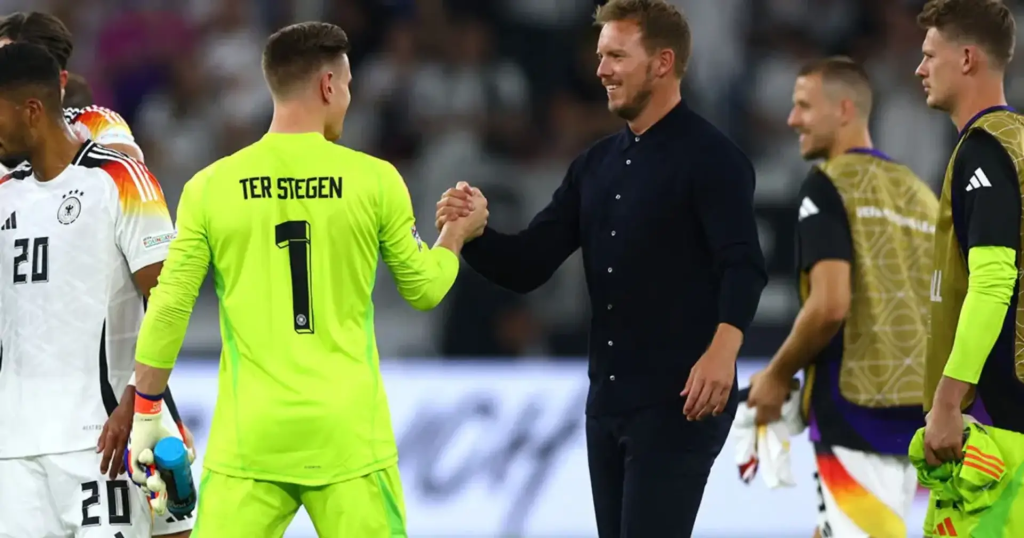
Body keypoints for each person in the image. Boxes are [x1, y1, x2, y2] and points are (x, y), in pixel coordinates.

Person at [126, 22, 486, 538]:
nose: (347, 99)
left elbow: (170, 304)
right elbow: (424, 289)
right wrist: (454, 235)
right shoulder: (375, 180)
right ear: (327, 86)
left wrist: (146, 410)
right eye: (348, 86)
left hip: (250, 440)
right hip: (348, 438)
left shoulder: (211, 186)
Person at [436, 1, 766, 535]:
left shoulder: (714, 157)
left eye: (616, 55)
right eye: (600, 55)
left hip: (680, 400)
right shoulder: (594, 165)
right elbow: (528, 264)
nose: (601, 70)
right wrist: (474, 235)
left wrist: (723, 353)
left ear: (662, 63)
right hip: (607, 402)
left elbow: (744, 265)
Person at [0, 11, 197, 502]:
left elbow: (150, 269)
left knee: (165, 519)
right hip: (34, 405)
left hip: (117, 384)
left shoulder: (100, 132)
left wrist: (144, 399)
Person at [746, 57, 938, 538]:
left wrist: (774, 375)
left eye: (804, 106)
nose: (792, 119)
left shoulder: (828, 185)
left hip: (857, 411)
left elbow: (830, 305)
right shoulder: (920, 195)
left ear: (845, 109)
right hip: (925, 413)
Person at [915, 0, 1024, 463]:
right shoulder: (1016, 141)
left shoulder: (984, 150)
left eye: (929, 55)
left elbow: (994, 280)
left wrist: (946, 400)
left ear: (966, 59)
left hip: (1005, 423)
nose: (919, 69)